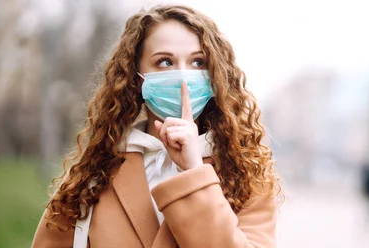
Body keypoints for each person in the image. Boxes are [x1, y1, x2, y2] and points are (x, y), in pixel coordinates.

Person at [32, 5, 280, 248]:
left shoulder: (246, 174)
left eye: (197, 62)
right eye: (164, 62)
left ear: (215, 74)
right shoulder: (92, 175)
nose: (183, 76)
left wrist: (194, 172)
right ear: (135, 76)